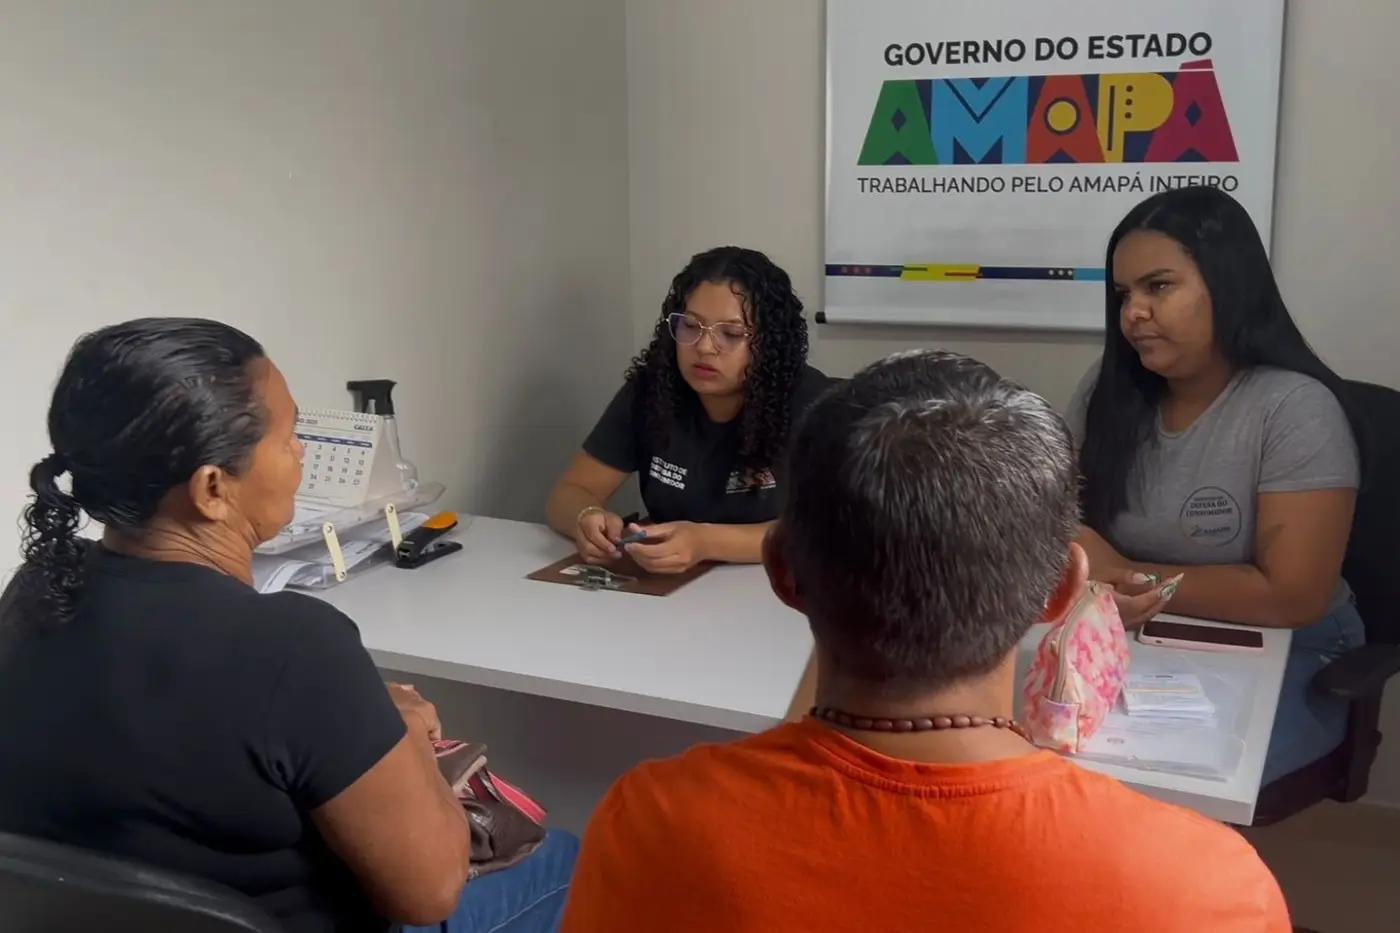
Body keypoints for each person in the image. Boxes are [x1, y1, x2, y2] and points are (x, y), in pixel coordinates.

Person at [560, 350, 1290, 932]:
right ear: (1062, 590)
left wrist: (846, 580)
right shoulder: (1208, 886)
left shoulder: (652, 822)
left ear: (783, 575)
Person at [0, 319, 577, 933]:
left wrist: (349, 715)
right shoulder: (297, 647)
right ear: (213, 488)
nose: (301, 451)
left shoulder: (35, 592)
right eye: (288, 436)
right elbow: (430, 894)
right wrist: (405, 729)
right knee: (564, 860)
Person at [1069, 186, 1369, 784]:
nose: (1134, 313)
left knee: (1140, 783)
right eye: (1124, 294)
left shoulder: (1294, 408)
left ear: (1228, 285)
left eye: (1158, 287)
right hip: (1141, 640)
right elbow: (1059, 518)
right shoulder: (1108, 389)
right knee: (1039, 756)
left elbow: (1291, 597)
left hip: (1290, 651)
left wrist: (1125, 573)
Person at [545, 246, 828, 573]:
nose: (704, 347)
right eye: (690, 326)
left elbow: (825, 531)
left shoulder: (814, 404)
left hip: (773, 584)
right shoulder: (652, 390)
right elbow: (570, 492)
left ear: (770, 343)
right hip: (674, 585)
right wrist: (586, 518)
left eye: (731, 334)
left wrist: (705, 542)